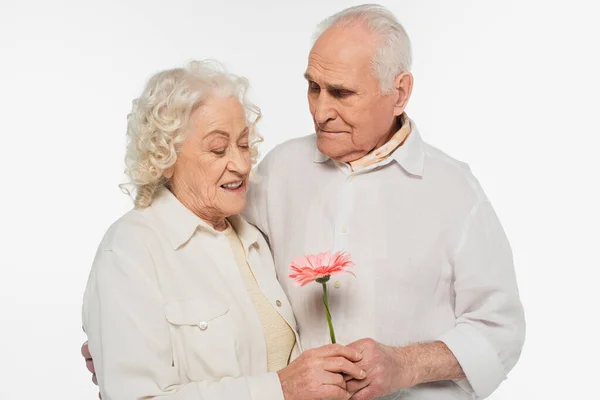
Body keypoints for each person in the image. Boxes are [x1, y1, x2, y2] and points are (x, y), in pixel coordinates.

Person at [83, 4, 526, 399]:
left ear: (400, 92)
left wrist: (405, 365)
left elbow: (500, 329)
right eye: (313, 88)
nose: (319, 110)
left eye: (341, 92)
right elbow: (197, 249)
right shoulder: (278, 171)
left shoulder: (453, 188)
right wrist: (124, 337)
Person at [81, 60, 366, 400]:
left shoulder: (252, 237)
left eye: (244, 144)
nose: (243, 164)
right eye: (218, 149)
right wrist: (282, 389)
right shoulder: (130, 251)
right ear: (165, 156)